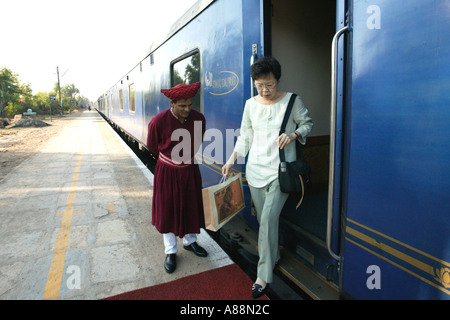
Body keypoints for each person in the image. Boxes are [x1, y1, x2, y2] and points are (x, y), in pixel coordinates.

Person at [222, 57, 313, 299]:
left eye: (269, 85)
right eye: (259, 85)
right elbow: (246, 135)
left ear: (278, 80)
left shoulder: (292, 101)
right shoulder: (250, 104)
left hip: (279, 172)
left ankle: (263, 274)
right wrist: (233, 158)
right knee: (265, 221)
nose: (264, 90)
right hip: (255, 171)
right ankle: (274, 255)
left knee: (269, 220)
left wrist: (293, 134)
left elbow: (307, 124)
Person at [147, 82, 208, 274]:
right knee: (168, 209)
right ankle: (171, 250)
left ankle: (190, 242)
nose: (187, 109)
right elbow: (152, 147)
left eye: (189, 104)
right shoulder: (158, 121)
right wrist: (171, 161)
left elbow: (198, 142)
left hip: (189, 169)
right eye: (182, 106)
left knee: (191, 205)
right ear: (172, 104)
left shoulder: (199, 118)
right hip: (167, 171)